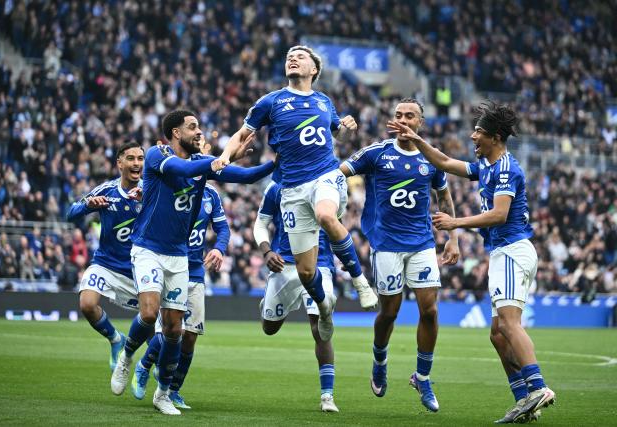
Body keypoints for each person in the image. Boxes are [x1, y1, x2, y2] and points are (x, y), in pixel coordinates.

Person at [388, 101, 555, 423]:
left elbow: (499, 214)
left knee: (508, 324)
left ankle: (538, 386)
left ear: (494, 136)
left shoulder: (505, 168)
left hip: (511, 250)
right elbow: (447, 163)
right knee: (497, 333)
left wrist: (456, 223)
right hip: (503, 252)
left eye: (478, 131)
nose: (472, 136)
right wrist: (418, 139)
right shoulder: (487, 166)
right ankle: (523, 399)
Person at [110, 109, 274, 415]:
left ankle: (163, 394)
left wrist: (274, 163)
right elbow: (179, 169)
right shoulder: (158, 155)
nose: (199, 131)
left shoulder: (200, 166)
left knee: (175, 330)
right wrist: (218, 160)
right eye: (193, 127)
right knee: (148, 313)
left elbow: (246, 176)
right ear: (175, 132)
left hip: (180, 255)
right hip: (147, 248)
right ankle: (127, 357)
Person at [219, 45, 377, 343]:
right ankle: (325, 307)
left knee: (326, 215)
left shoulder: (324, 101)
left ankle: (359, 280)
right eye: (289, 55)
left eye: (300, 56)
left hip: (326, 176)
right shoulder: (271, 101)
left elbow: (336, 132)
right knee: (307, 274)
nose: (292, 57)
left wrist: (346, 127)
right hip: (292, 188)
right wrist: (225, 157)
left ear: (313, 70)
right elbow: (241, 135)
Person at [340, 99, 460, 412]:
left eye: (409, 115)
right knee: (389, 312)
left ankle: (422, 376)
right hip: (386, 245)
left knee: (430, 310)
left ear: (421, 122)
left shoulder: (430, 157)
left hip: (421, 243)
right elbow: (339, 172)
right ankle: (380, 359)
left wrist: (454, 238)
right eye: (398, 115)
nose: (402, 119)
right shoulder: (375, 153)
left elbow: (444, 197)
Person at [131, 183, 230, 409]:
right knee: (174, 329)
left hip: (196, 269)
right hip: (171, 264)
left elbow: (223, 228)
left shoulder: (211, 193)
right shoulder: (171, 181)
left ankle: (173, 390)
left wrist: (219, 248)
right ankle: (144, 366)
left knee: (191, 336)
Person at [253, 173, 338, 412]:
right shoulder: (275, 188)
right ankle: (267, 304)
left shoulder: (327, 186)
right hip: (285, 265)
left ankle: (327, 396)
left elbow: (335, 225)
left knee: (320, 329)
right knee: (269, 328)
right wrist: (267, 251)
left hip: (319, 263)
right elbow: (260, 223)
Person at [66, 141, 144, 372]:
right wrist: (88, 206)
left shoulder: (151, 191)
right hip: (106, 264)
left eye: (140, 158)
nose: (136, 163)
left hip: (140, 270)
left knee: (154, 330)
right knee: (87, 304)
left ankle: (153, 375)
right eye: (130, 158)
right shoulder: (106, 191)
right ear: (119, 163)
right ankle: (114, 338)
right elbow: (71, 213)